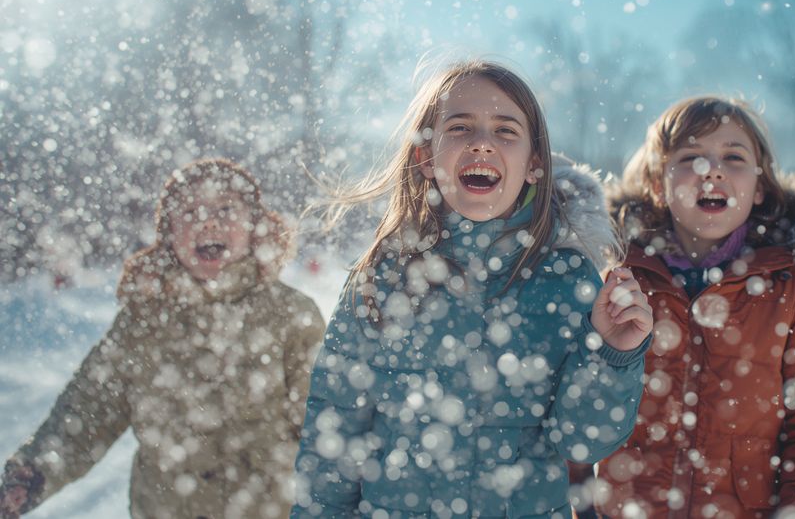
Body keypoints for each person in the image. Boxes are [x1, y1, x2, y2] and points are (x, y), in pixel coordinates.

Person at [291, 59, 653, 518]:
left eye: (505, 131)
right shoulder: (381, 278)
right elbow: (332, 442)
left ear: (534, 165)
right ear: (425, 157)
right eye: (460, 127)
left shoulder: (566, 278)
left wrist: (612, 354)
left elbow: (583, 442)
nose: (482, 143)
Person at [0, 159, 325, 519]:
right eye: (190, 211)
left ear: (255, 226)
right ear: (168, 232)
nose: (208, 221)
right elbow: (87, 411)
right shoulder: (143, 322)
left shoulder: (290, 315)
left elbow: (323, 426)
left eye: (226, 209)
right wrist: (31, 473)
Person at [593, 96, 795, 518]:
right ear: (657, 184)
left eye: (733, 157)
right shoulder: (619, 280)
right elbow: (577, 399)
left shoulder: (793, 287)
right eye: (690, 157)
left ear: (759, 188)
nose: (711, 169)